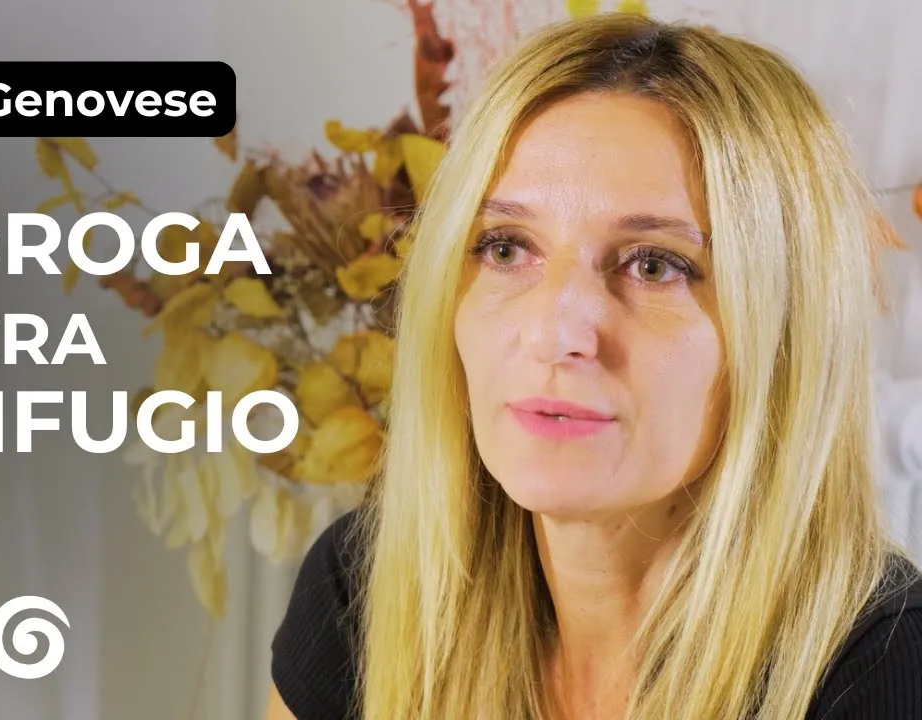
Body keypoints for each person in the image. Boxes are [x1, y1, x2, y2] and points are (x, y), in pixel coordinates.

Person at [266, 11, 922, 720]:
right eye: (506, 247)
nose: (555, 332)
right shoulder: (366, 587)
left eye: (654, 264)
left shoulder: (888, 671)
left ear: (783, 331)